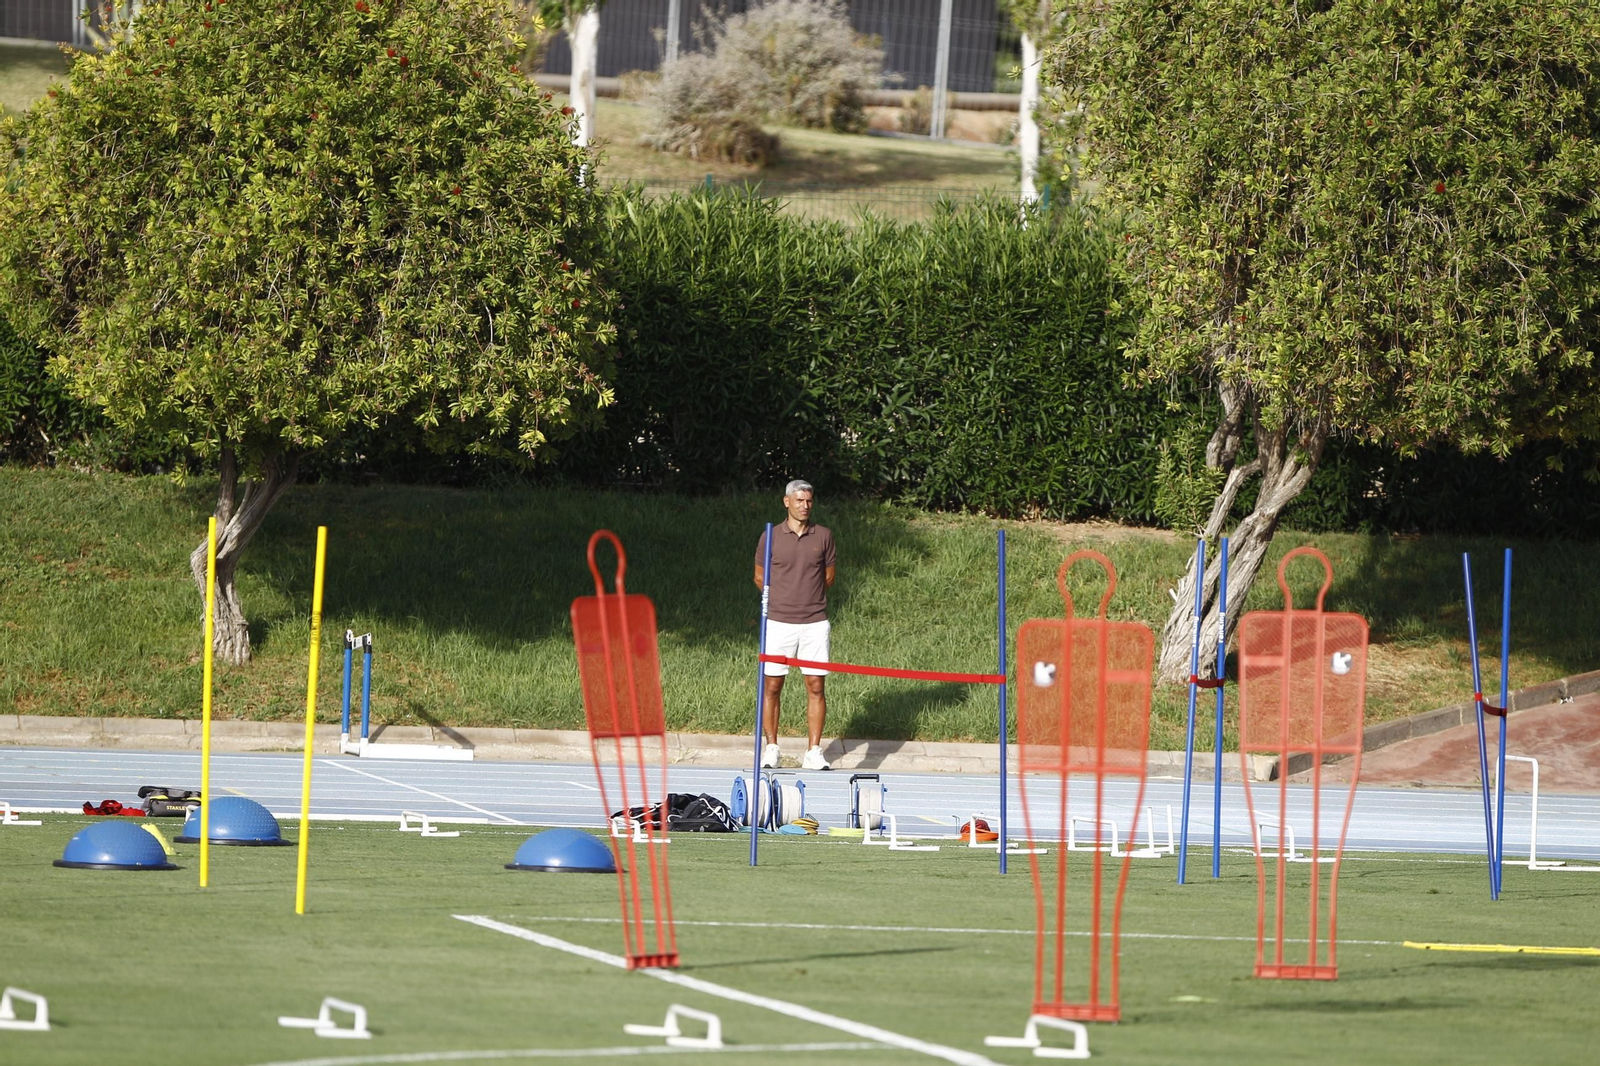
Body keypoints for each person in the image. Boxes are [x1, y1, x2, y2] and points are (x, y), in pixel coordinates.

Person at [753, 479, 836, 771]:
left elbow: (828, 577)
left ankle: (813, 751)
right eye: (799, 500)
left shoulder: (823, 535)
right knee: (772, 685)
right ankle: (771, 748)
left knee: (816, 686)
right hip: (778, 622)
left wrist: (807, 599)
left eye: (809, 501)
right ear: (786, 502)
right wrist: (782, 600)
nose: (805, 506)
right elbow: (759, 577)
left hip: (815, 622)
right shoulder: (771, 536)